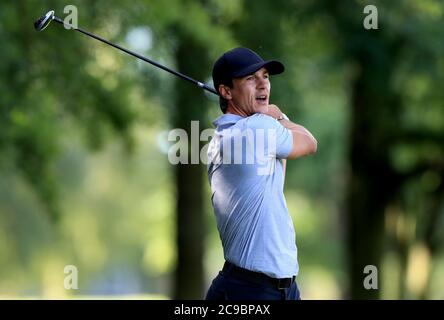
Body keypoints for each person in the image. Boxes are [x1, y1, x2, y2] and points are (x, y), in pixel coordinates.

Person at [205, 47, 317, 300]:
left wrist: (272, 119)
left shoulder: (219, 140)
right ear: (225, 91)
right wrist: (279, 116)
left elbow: (275, 182)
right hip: (253, 291)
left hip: (272, 288)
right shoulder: (257, 128)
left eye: (265, 76)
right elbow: (310, 143)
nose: (262, 85)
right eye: (250, 78)